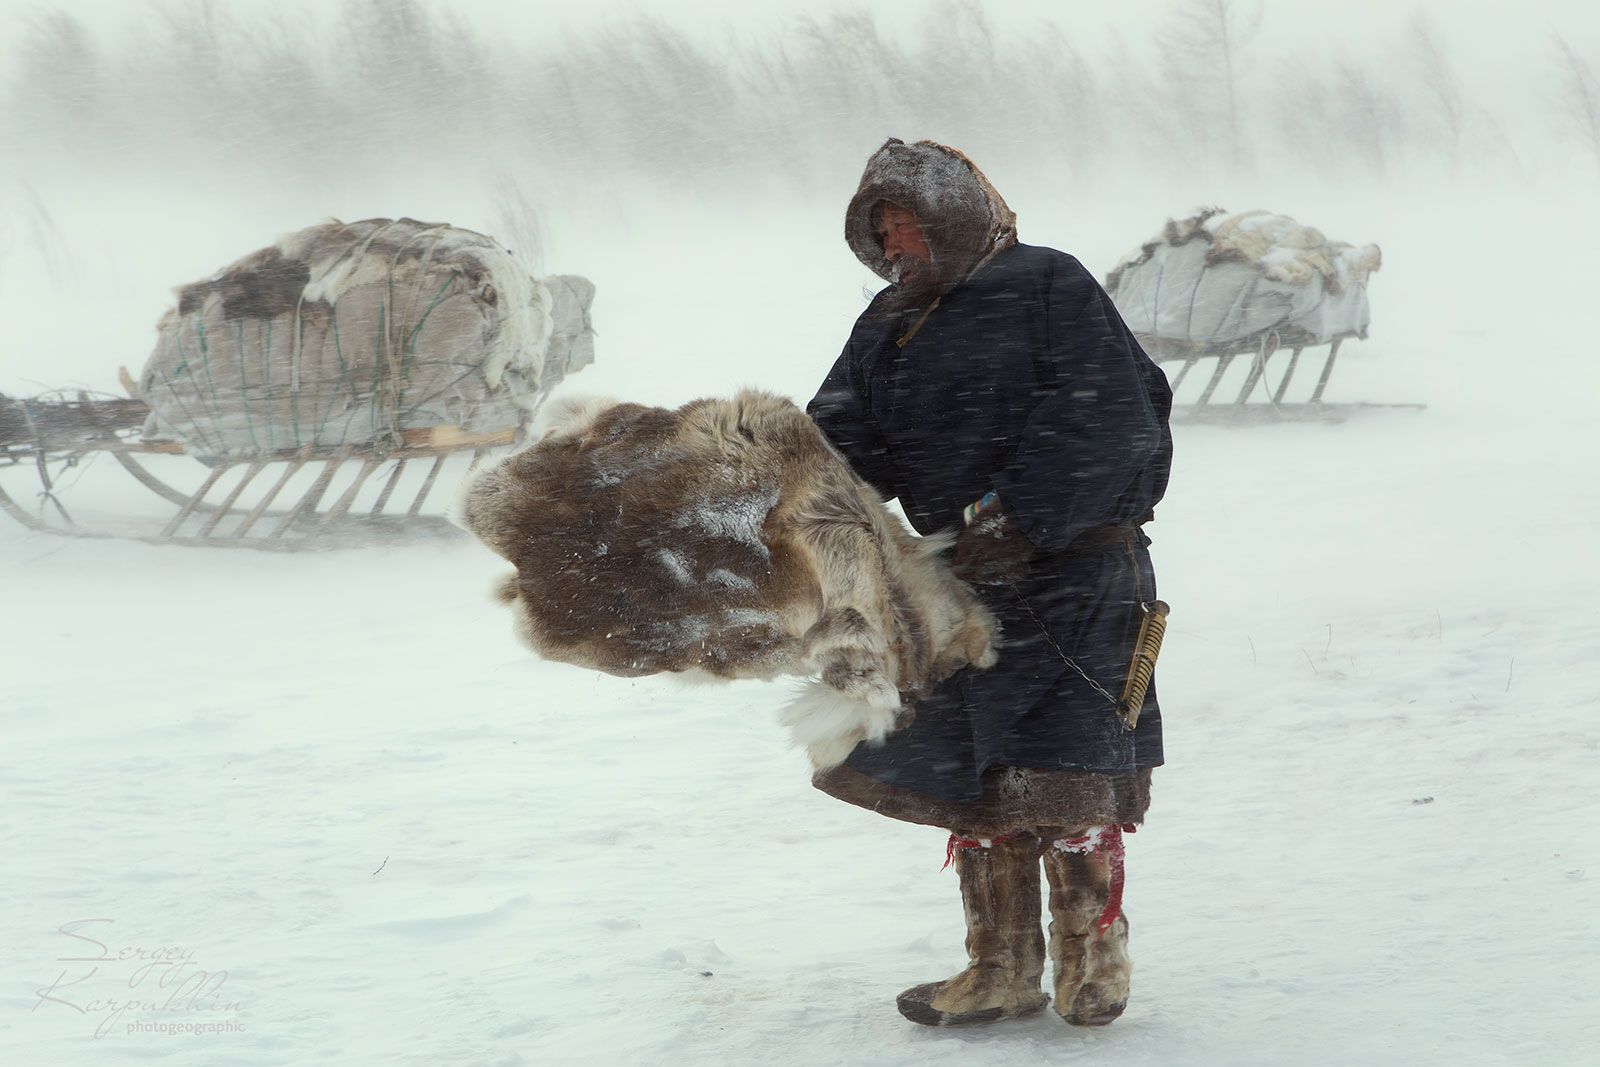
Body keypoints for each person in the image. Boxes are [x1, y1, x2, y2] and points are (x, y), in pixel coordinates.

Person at [806, 139, 1174, 1028]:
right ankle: (1001, 966)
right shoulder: (890, 323)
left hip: (1077, 572)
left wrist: (1017, 516)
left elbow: (1110, 415)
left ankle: (1093, 959)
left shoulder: (1047, 284)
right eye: (881, 231)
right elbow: (841, 439)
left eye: (908, 224)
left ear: (957, 216)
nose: (895, 244)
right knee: (976, 777)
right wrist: (792, 493)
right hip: (959, 586)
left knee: (1067, 770)